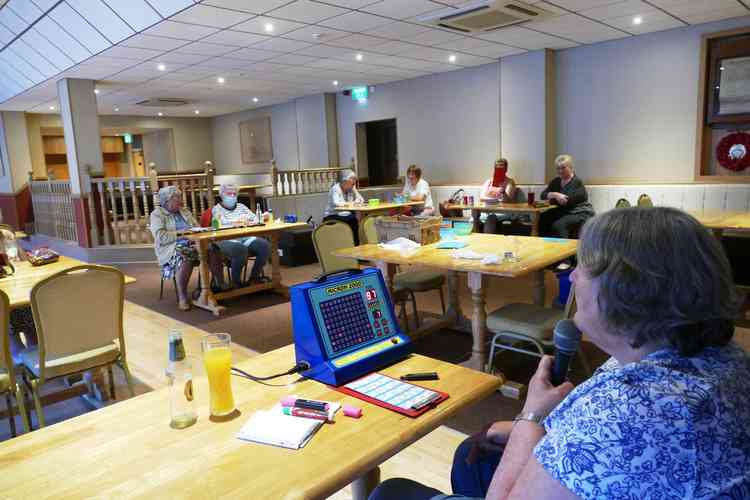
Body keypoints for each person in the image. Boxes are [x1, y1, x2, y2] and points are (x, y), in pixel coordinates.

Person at [369, 207, 750, 500]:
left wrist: (531, 414)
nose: (572, 278)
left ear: (626, 293)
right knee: (474, 453)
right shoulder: (725, 358)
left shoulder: (626, 411)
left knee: (391, 491)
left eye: (583, 268)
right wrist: (529, 430)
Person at [150, 186, 226, 311]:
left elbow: (196, 228)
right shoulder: (157, 215)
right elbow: (161, 237)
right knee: (186, 256)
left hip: (193, 243)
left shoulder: (184, 211)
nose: (181, 201)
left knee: (213, 248)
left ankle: (216, 285)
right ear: (167, 200)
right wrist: (183, 235)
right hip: (170, 248)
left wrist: (204, 234)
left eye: (180, 197)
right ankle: (183, 296)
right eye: (177, 198)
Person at [211, 183, 271, 287]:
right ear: (222, 195)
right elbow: (222, 225)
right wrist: (241, 221)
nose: (232, 196)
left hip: (244, 236)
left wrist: (260, 217)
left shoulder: (241, 207)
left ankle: (254, 277)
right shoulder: (217, 209)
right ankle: (236, 282)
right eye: (229, 194)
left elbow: (255, 219)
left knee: (264, 245)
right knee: (240, 249)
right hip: (226, 239)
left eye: (234, 194)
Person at [539, 154, 594, 238]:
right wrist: (556, 194)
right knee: (542, 218)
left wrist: (552, 198)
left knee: (559, 225)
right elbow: (542, 195)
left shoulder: (576, 182)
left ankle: (563, 249)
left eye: (563, 168)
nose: (560, 171)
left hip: (579, 212)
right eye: (558, 168)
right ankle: (545, 247)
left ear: (571, 168)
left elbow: (566, 201)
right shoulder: (556, 181)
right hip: (563, 211)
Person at [323, 169, 364, 244]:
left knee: (355, 218)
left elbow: (361, 199)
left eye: (354, 184)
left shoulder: (351, 189)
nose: (353, 185)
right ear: (345, 182)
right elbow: (337, 203)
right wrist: (352, 203)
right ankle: (354, 244)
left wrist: (355, 192)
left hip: (345, 214)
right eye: (352, 184)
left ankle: (356, 244)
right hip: (332, 215)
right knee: (352, 219)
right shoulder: (336, 188)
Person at [479, 158, 518, 234]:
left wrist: (503, 191)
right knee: (474, 218)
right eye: (497, 167)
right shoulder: (488, 181)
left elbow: (508, 200)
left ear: (506, 169)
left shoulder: (509, 182)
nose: (499, 169)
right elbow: (481, 197)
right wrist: (492, 199)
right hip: (488, 209)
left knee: (491, 218)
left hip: (503, 211)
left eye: (502, 167)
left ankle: (487, 242)